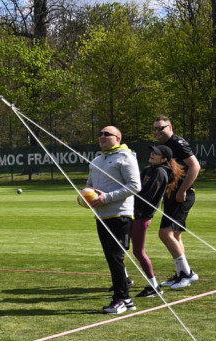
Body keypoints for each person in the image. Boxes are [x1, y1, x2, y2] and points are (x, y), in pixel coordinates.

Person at [85, 125, 141, 314]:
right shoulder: (96, 160)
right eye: (100, 134)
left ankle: (122, 299)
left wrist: (106, 198)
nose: (102, 136)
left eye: (107, 134)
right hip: (102, 216)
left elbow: (135, 186)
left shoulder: (126, 157)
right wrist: (85, 197)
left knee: (116, 257)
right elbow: (89, 187)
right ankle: (125, 299)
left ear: (118, 138)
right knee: (112, 258)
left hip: (120, 214)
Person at [152, 117, 201, 290]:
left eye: (161, 128)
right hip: (171, 194)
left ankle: (187, 274)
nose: (157, 132)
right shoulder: (164, 145)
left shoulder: (178, 142)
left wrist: (183, 190)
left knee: (165, 234)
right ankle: (182, 272)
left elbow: (195, 166)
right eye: (155, 129)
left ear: (170, 127)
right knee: (176, 235)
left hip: (182, 195)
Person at [131, 145, 184, 299]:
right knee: (118, 248)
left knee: (138, 252)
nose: (152, 154)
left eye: (157, 153)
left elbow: (145, 195)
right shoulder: (148, 169)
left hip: (141, 216)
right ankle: (124, 280)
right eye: (152, 152)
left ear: (164, 159)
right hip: (131, 213)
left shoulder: (160, 172)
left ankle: (154, 286)